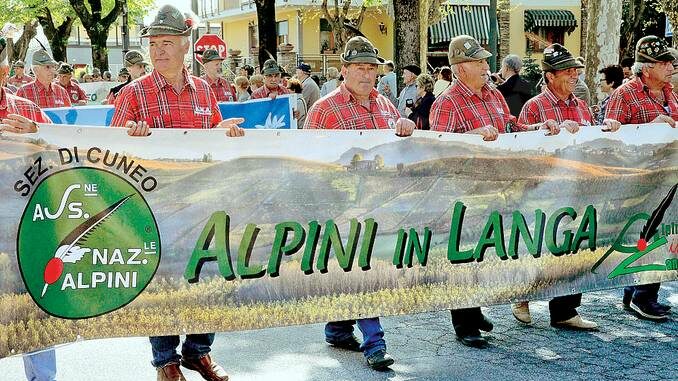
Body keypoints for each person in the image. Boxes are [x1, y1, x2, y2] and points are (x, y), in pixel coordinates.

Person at [110, 6, 244, 381]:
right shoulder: (133, 94)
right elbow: (111, 155)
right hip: (156, 206)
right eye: (153, 43)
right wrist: (128, 137)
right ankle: (165, 361)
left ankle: (198, 352)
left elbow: (213, 134)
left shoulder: (203, 89)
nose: (159, 50)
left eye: (167, 42)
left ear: (186, 46)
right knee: (163, 280)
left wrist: (223, 130)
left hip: (203, 200)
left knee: (212, 273)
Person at [429, 35, 558, 348]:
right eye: (479, 62)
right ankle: (465, 322)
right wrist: (472, 136)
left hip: (499, 187)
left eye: (486, 61)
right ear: (460, 68)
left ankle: (474, 309)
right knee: (463, 254)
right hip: (465, 191)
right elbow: (436, 149)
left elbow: (510, 126)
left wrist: (539, 129)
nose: (487, 66)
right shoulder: (446, 102)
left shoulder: (493, 95)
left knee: (484, 252)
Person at [305, 36, 415, 370]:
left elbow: (400, 149)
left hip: (380, 204)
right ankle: (375, 342)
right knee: (362, 268)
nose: (367, 75)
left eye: (372, 68)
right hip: (340, 205)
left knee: (357, 268)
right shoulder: (324, 109)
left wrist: (407, 127)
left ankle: (338, 329)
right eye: (360, 68)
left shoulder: (385, 106)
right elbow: (308, 160)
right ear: (344, 70)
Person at [516, 44, 622, 331]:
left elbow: (592, 139)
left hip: (577, 188)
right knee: (538, 245)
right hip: (544, 189)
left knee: (574, 246)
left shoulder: (581, 105)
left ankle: (565, 310)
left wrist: (609, 127)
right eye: (567, 70)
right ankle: (521, 295)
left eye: (575, 69)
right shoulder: (534, 106)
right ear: (550, 76)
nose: (575, 74)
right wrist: (546, 130)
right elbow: (520, 148)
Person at [605, 36, 677, 320]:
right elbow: (611, 138)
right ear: (646, 68)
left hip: (667, 181)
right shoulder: (625, 94)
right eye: (664, 62)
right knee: (644, 236)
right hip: (639, 183)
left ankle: (640, 293)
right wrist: (649, 128)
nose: (671, 66)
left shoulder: (669, 93)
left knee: (659, 235)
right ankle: (641, 295)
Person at [1, 36, 56, 381]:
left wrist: (39, 135)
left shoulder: (30, 111)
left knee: (34, 308)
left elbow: (63, 157)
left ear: (4, 71)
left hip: (25, 226)